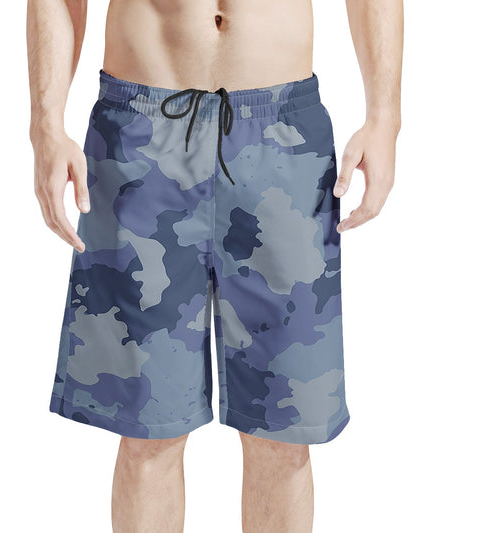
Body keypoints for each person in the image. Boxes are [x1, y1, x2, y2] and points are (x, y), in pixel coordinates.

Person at [27, 0, 402, 531]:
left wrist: (385, 117)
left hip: (283, 139)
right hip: (140, 134)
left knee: (283, 432)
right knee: (147, 433)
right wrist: (45, 125)